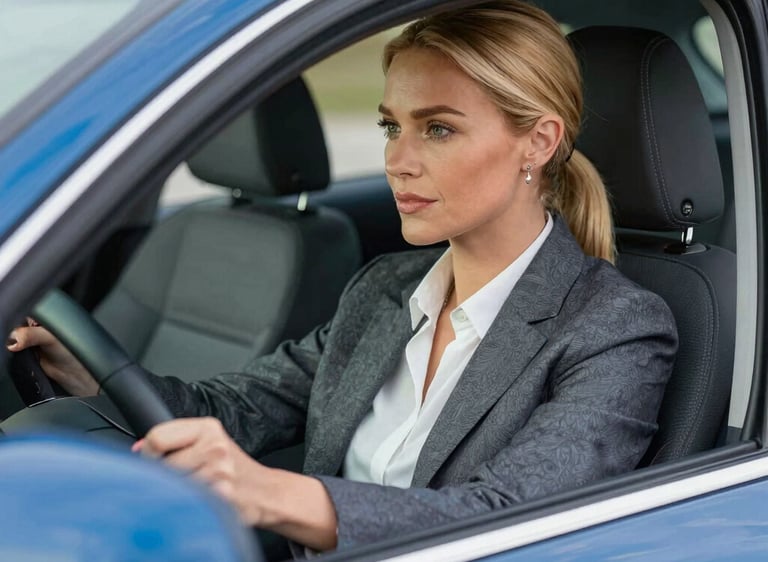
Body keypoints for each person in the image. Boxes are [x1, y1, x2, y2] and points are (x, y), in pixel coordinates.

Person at [7, 0, 677, 554]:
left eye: (438, 130)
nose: (398, 160)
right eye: (391, 126)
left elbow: (510, 516)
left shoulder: (614, 326)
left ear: (539, 141)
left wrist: (266, 491)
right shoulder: (383, 290)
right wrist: (89, 372)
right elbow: (236, 412)